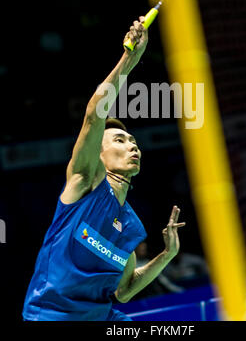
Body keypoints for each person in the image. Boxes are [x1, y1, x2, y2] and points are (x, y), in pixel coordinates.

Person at [22, 17, 185, 321]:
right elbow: (94, 115)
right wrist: (130, 58)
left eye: (134, 142)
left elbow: (123, 291)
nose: (132, 146)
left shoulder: (132, 226)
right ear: (98, 154)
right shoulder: (85, 183)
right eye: (120, 140)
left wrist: (167, 256)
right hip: (50, 317)